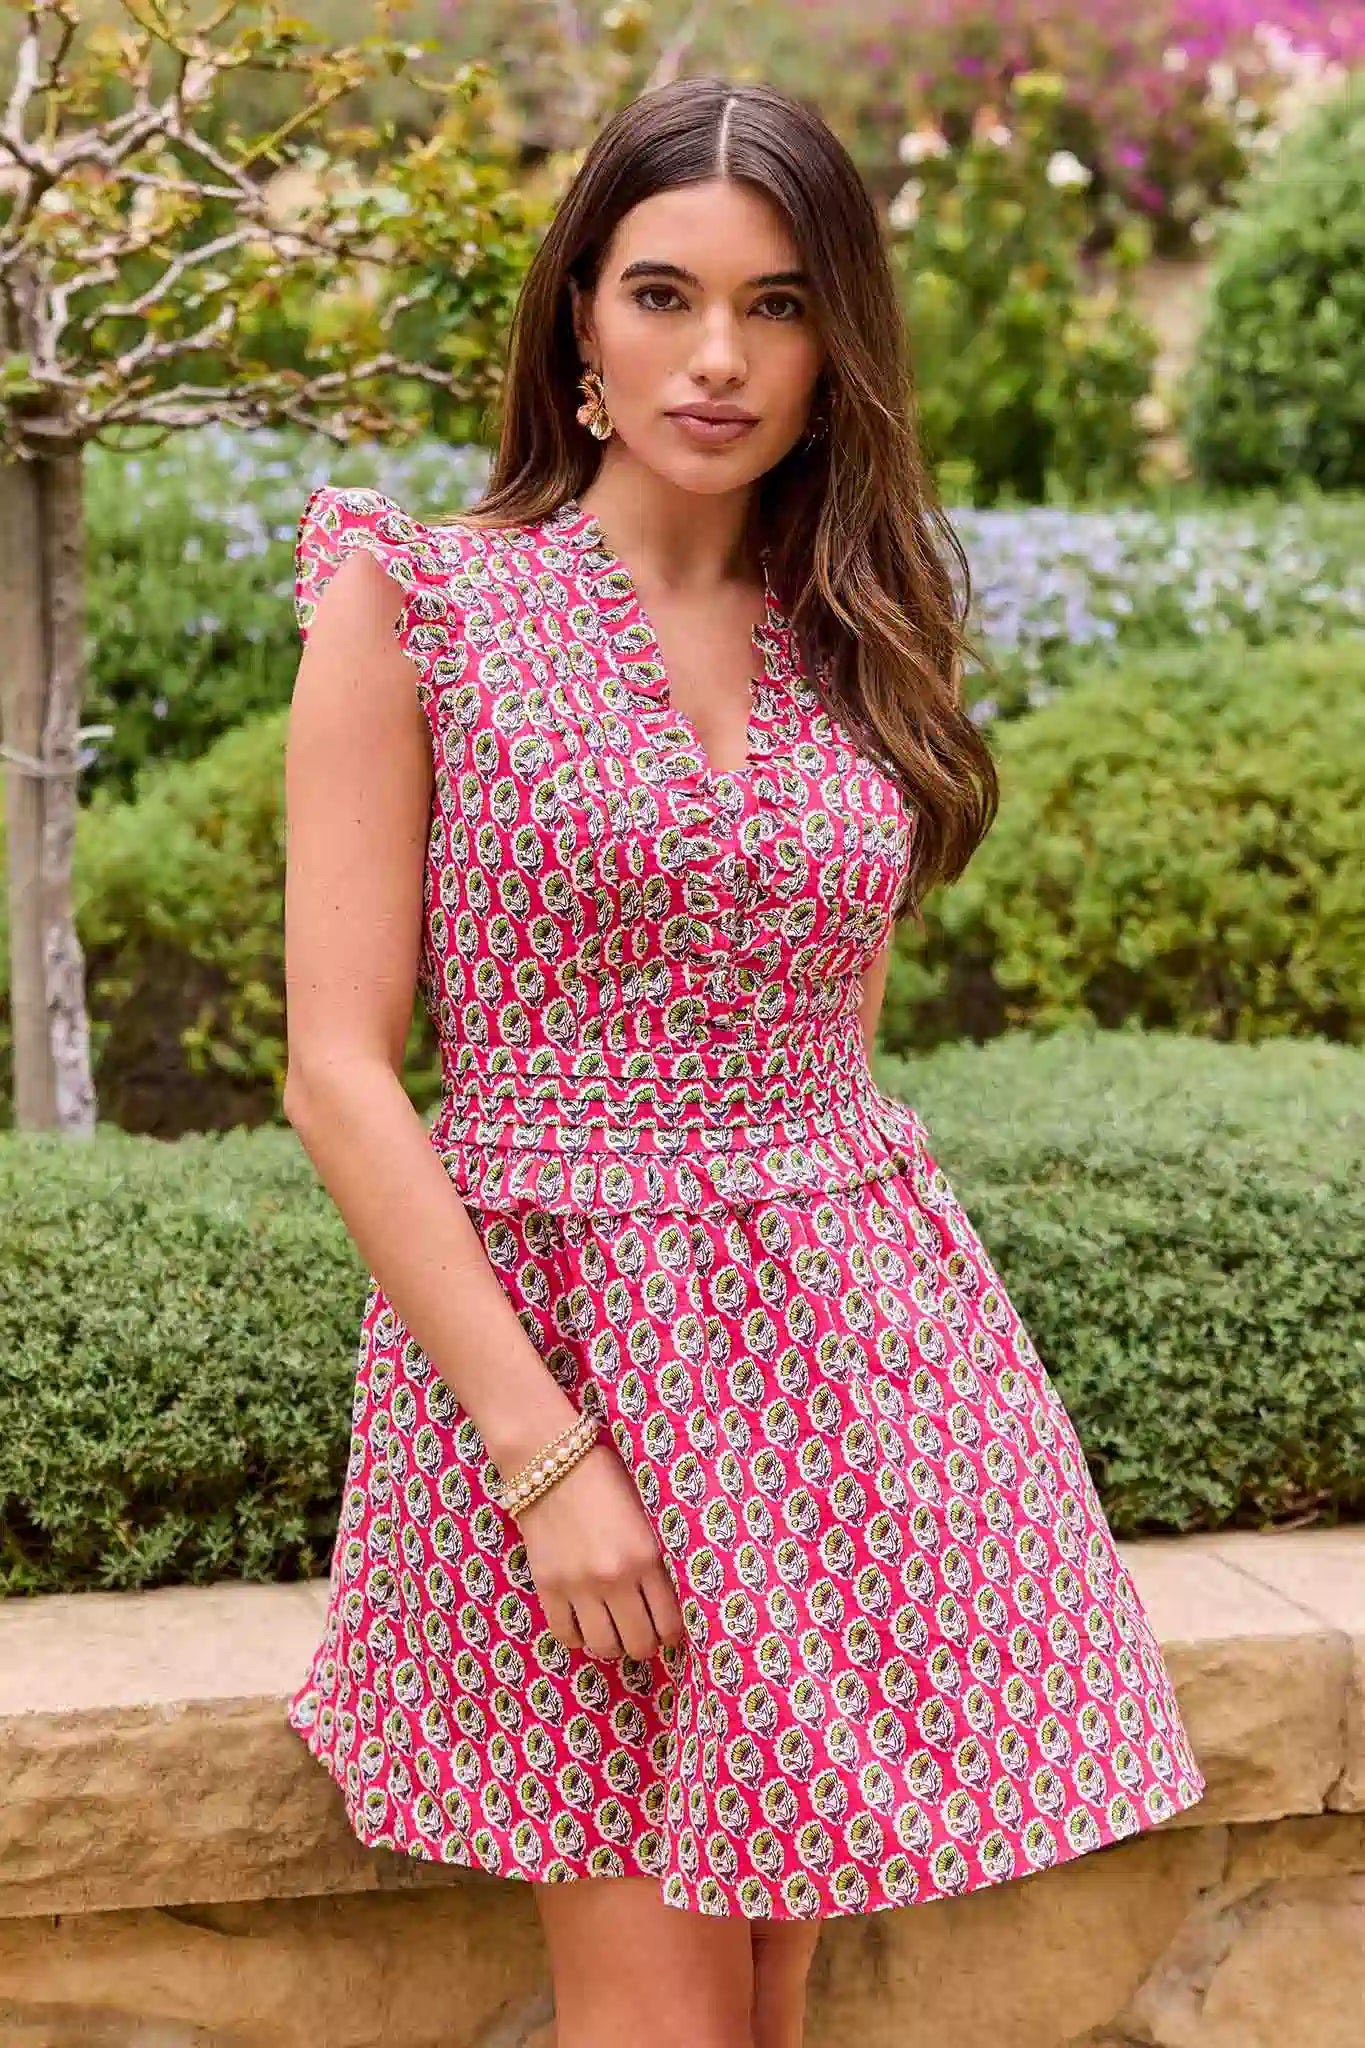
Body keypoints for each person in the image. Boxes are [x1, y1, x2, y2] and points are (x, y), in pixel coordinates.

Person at [282, 74, 1206, 2048]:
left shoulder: (846, 629)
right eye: (661, 293)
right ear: (575, 328)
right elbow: (337, 1073)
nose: (718, 357)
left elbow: (818, 1053)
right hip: (552, 1386)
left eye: (776, 305)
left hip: (850, 1383)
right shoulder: (414, 596)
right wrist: (547, 1464)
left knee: (775, 2006)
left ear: (830, 343)